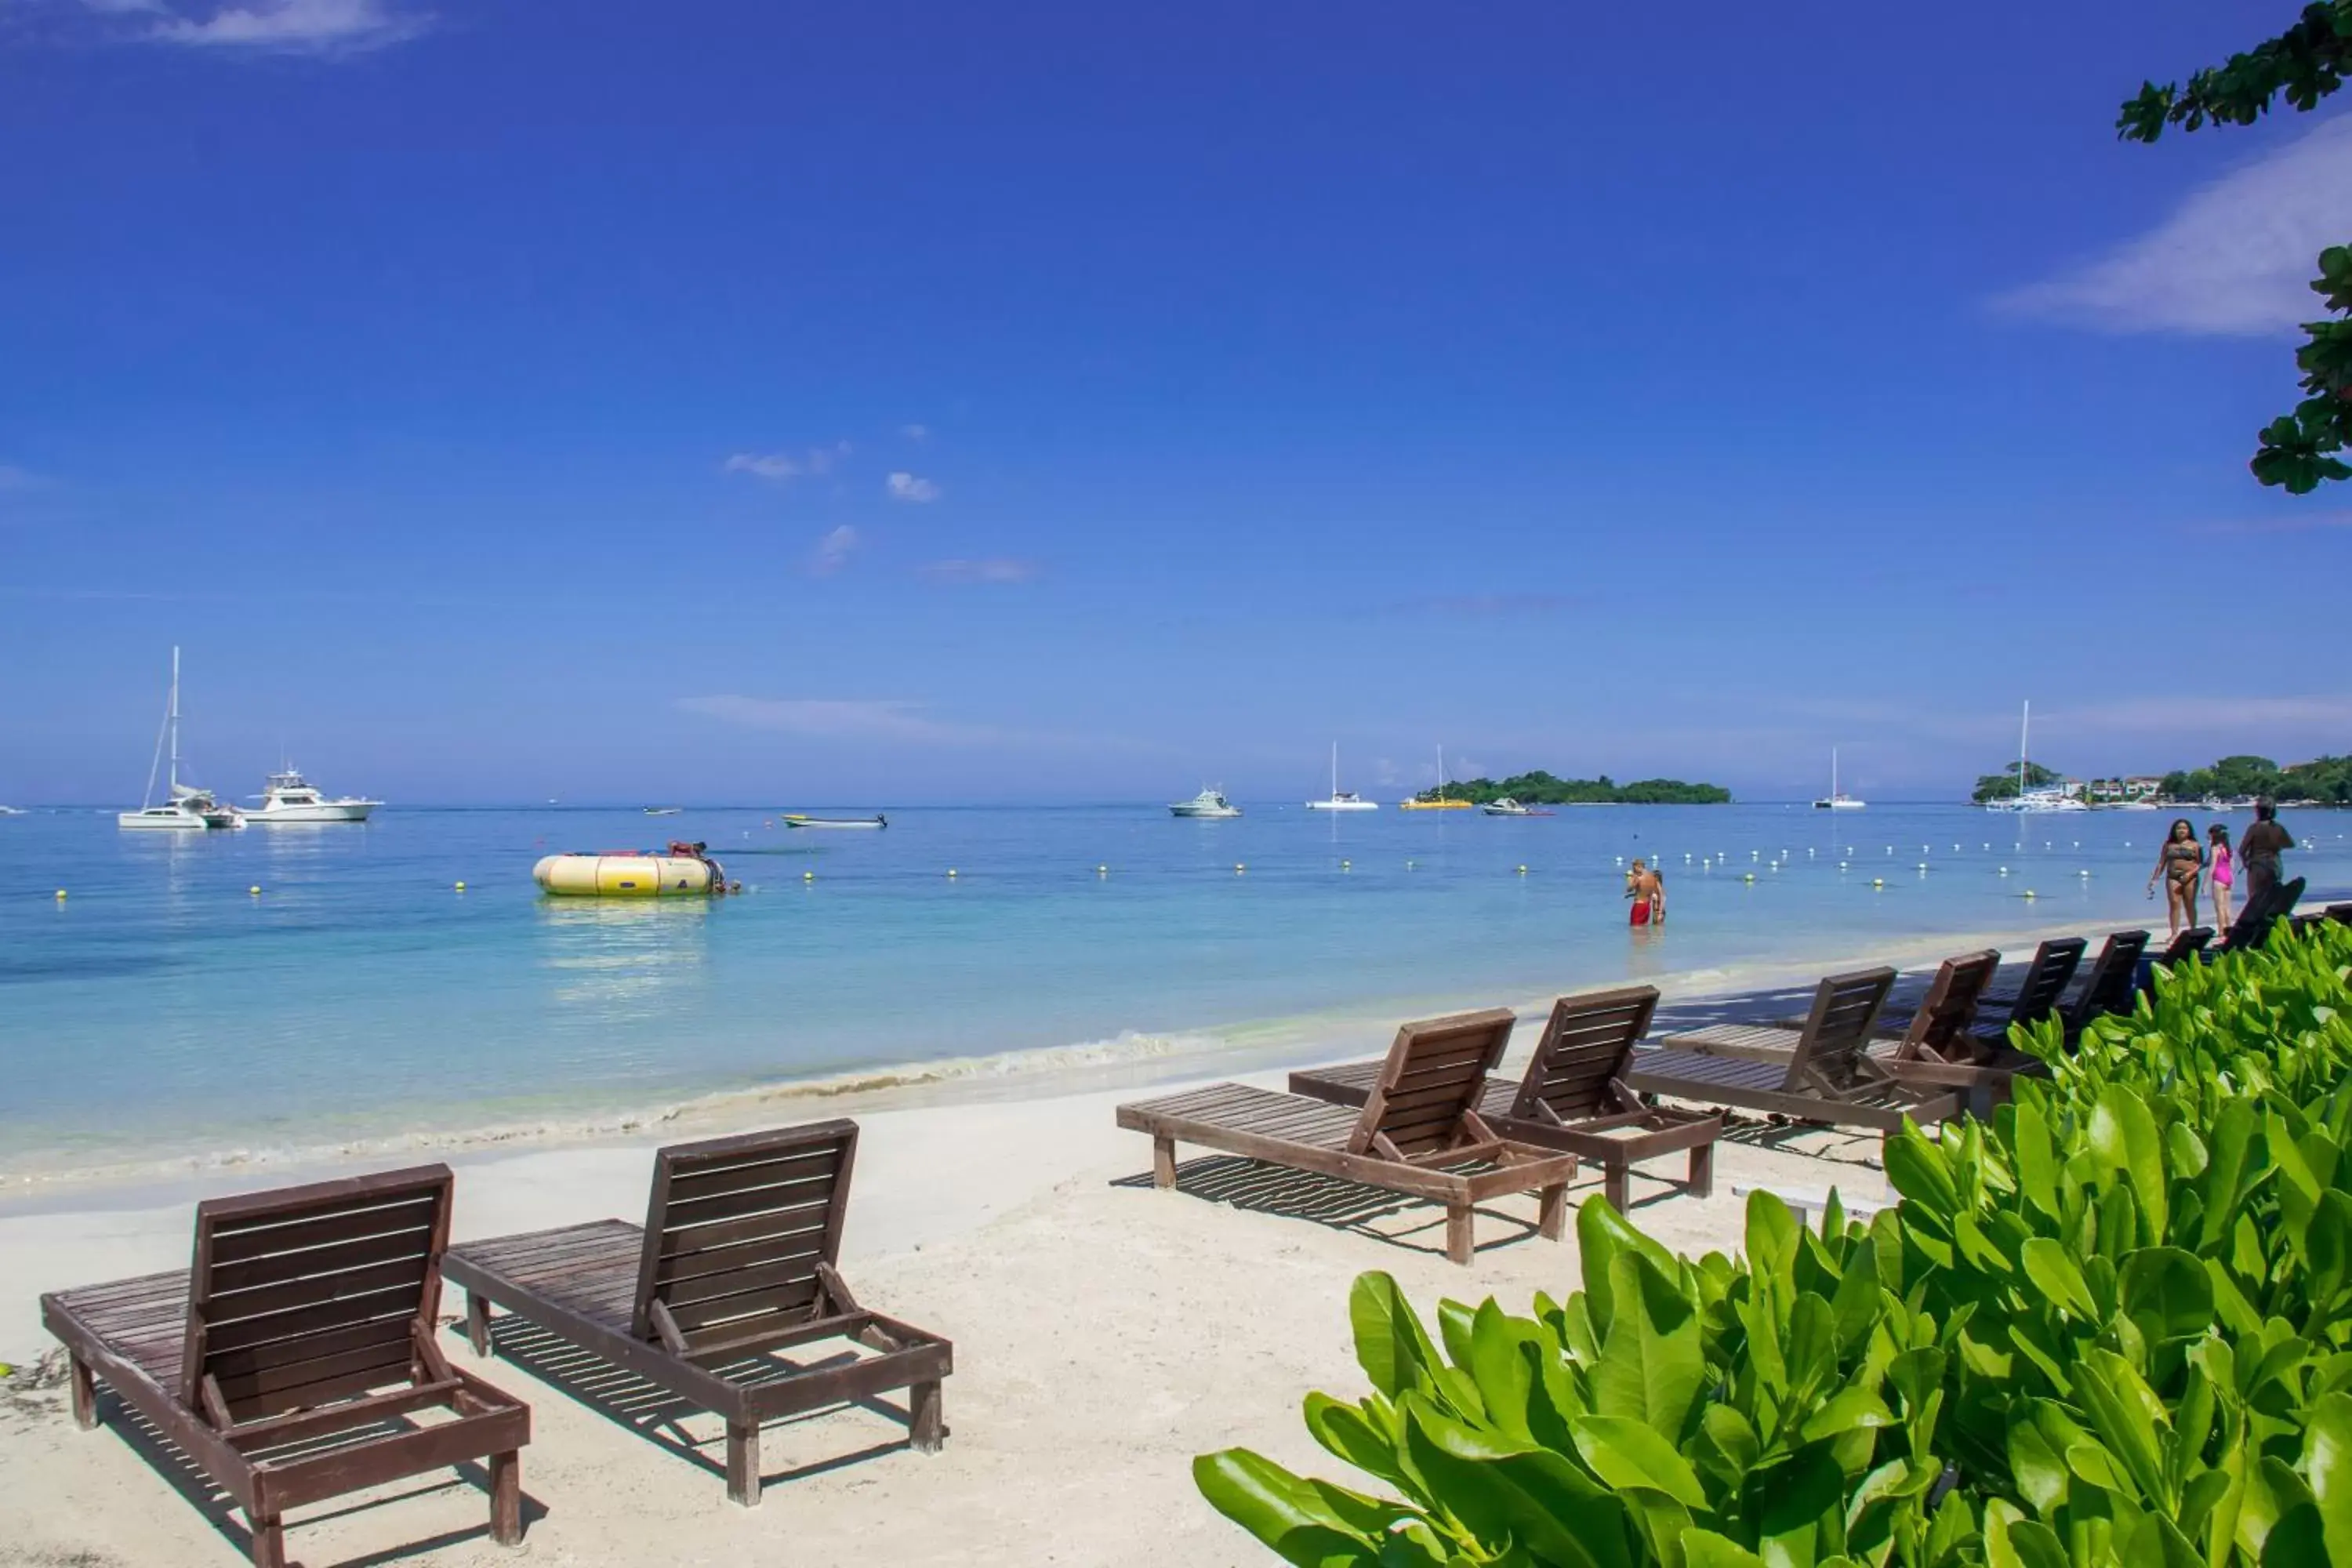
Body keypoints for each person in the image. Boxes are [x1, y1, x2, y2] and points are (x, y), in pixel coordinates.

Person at [2146, 818, 2203, 938]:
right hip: (2172, 876)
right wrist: (2154, 879)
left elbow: (2200, 864)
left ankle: (2193, 929)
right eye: (2179, 828)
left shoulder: (2195, 845)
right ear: (2174, 830)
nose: (2181, 831)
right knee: (2174, 903)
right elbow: (2162, 863)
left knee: (2190, 903)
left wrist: (2190, 874)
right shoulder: (2168, 845)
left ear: (2189, 831)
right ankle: (2174, 933)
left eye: (2184, 828)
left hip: (2190, 877)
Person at [2240, 800, 2294, 911]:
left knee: (2254, 900)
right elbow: (2289, 844)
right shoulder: (2278, 828)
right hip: (2274, 863)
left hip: (2258, 864)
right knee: (2273, 898)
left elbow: (2242, 850)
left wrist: (2245, 862)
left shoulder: (2254, 828)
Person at [2206, 822, 2235, 931]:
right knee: (2227, 907)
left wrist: (2205, 883)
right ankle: (2229, 930)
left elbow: (2212, 866)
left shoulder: (2215, 848)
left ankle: (2221, 932)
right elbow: (2232, 865)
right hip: (2228, 878)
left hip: (2218, 878)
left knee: (2219, 908)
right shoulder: (2228, 849)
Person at [1626, 858, 1665, 927]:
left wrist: (1629, 878)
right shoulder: (1652, 877)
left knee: (1635, 928)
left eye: (1633, 868)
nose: (1633, 870)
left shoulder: (1639, 878)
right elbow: (1657, 893)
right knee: (1643, 927)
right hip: (1647, 906)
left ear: (1638, 867)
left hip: (1639, 905)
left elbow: (1629, 889)